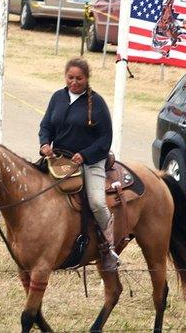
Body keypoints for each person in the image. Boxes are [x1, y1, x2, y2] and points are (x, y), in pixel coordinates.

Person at [38, 58, 118, 272]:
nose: (74, 82)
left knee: (97, 202)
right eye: (70, 78)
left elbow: (105, 138)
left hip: (90, 161)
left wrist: (85, 155)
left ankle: (109, 247)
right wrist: (44, 144)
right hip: (60, 159)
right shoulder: (58, 97)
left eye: (79, 78)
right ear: (65, 77)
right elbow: (46, 125)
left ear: (87, 78)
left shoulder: (97, 103)